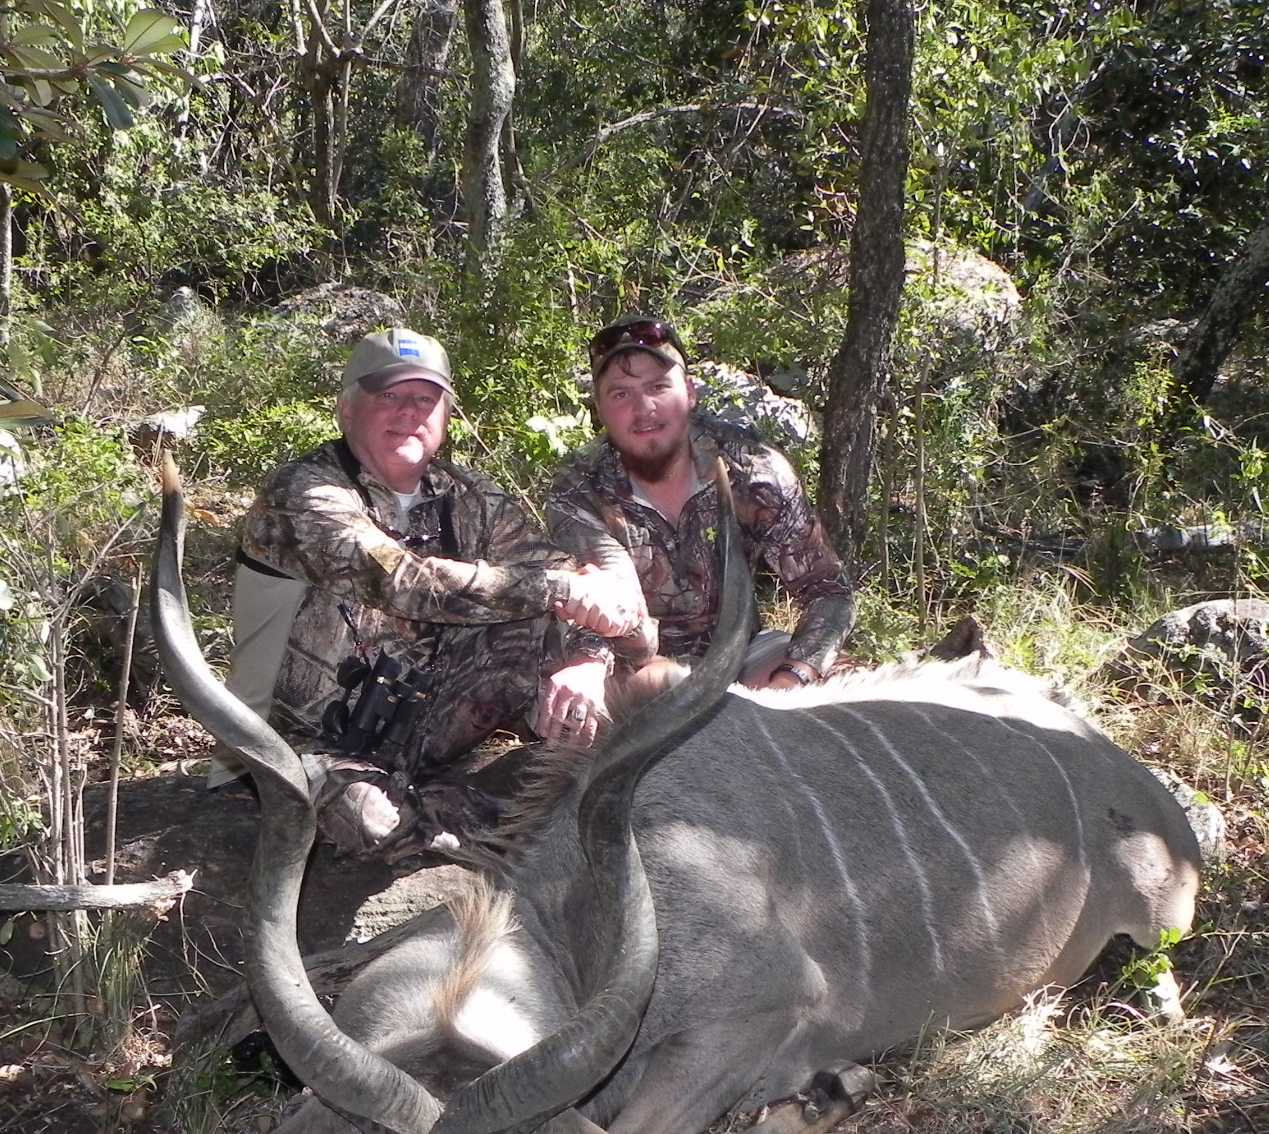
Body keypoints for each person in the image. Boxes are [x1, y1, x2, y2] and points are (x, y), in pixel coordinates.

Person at [220, 326, 640, 861]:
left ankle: (519, 786)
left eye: (426, 398)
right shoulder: (301, 494)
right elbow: (407, 583)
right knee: (373, 826)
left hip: (428, 733)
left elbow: (563, 572)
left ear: (445, 414)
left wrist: (586, 658)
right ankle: (492, 817)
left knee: (605, 667)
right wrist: (561, 587)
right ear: (347, 408)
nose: (409, 412)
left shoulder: (471, 496)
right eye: (388, 396)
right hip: (305, 746)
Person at [546, 316, 853, 697]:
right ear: (599, 408)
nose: (644, 408)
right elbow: (612, 604)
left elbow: (828, 591)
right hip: (645, 666)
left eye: (658, 387)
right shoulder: (579, 491)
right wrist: (588, 666)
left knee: (844, 687)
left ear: (690, 392)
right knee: (640, 703)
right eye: (621, 394)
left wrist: (792, 680)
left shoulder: (753, 468)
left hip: (749, 653)